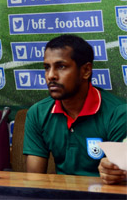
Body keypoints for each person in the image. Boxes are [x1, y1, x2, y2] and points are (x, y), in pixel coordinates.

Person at [24, 34, 127, 179]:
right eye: (47, 67)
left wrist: (113, 170)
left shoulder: (119, 113)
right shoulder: (37, 113)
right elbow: (34, 179)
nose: (51, 75)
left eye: (61, 67)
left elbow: (119, 176)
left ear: (86, 71)